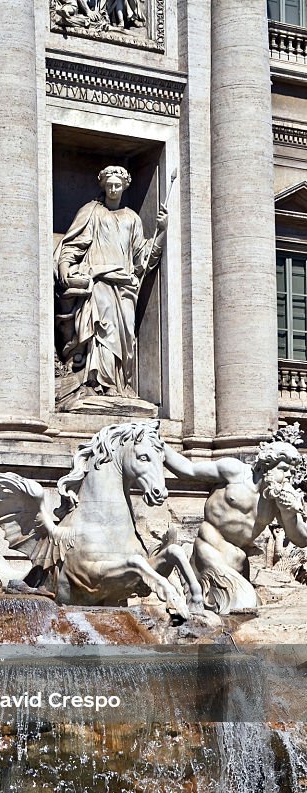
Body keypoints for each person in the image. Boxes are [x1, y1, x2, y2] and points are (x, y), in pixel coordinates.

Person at [54, 165, 167, 407]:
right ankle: (97, 385)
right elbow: (73, 244)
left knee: (124, 337)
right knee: (102, 333)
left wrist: (161, 232)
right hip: (100, 283)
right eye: (109, 185)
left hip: (125, 288)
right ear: (103, 186)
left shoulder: (132, 219)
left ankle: (119, 383)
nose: (113, 189)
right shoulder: (91, 211)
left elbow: (143, 259)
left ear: (125, 187)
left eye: (118, 185)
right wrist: (64, 266)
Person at [164, 441, 307, 612]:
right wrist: (158, 445)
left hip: (239, 563)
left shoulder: (278, 499)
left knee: (244, 611)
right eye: (283, 469)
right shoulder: (235, 472)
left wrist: (289, 514)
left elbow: (301, 539)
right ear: (264, 466)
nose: (289, 476)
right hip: (210, 549)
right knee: (242, 604)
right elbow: (188, 470)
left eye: (292, 471)